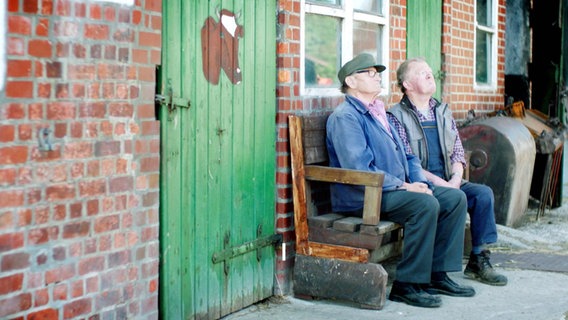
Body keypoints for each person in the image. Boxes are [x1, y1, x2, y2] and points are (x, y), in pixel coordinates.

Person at [326, 53, 475, 308]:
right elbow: (359, 168)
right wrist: (407, 186)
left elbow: (408, 155)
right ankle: (407, 285)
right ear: (351, 80)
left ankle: (436, 274)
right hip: (364, 196)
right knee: (424, 205)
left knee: (454, 198)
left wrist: (421, 183)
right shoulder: (346, 117)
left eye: (377, 72)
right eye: (369, 73)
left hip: (392, 189)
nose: (377, 76)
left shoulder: (378, 111)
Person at [388, 57, 508, 286]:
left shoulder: (442, 111)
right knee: (455, 196)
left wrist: (455, 177)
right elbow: (407, 161)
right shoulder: (396, 116)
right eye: (421, 72)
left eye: (429, 70)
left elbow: (457, 152)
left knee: (483, 195)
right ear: (407, 84)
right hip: (420, 183)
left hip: (447, 180)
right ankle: (438, 271)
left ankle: (478, 259)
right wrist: (446, 185)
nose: (428, 73)